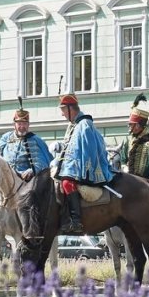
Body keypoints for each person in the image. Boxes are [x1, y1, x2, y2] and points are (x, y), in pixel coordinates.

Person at [52, 93, 115, 234]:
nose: (62, 115)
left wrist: (84, 170)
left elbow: (89, 150)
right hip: (71, 166)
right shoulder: (73, 126)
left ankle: (76, 220)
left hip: (86, 168)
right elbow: (69, 149)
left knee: (67, 183)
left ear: (70, 109)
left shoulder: (84, 124)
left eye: (63, 110)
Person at [0, 97, 53, 182]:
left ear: (28, 125)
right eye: (19, 123)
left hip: (25, 180)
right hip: (6, 179)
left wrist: (32, 170)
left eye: (24, 123)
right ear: (14, 125)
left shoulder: (35, 140)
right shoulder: (6, 138)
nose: (22, 127)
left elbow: (42, 163)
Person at [119, 93, 149, 181]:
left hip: (145, 182)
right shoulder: (128, 141)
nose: (130, 127)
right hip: (129, 178)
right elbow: (123, 159)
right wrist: (124, 167)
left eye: (132, 124)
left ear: (139, 125)